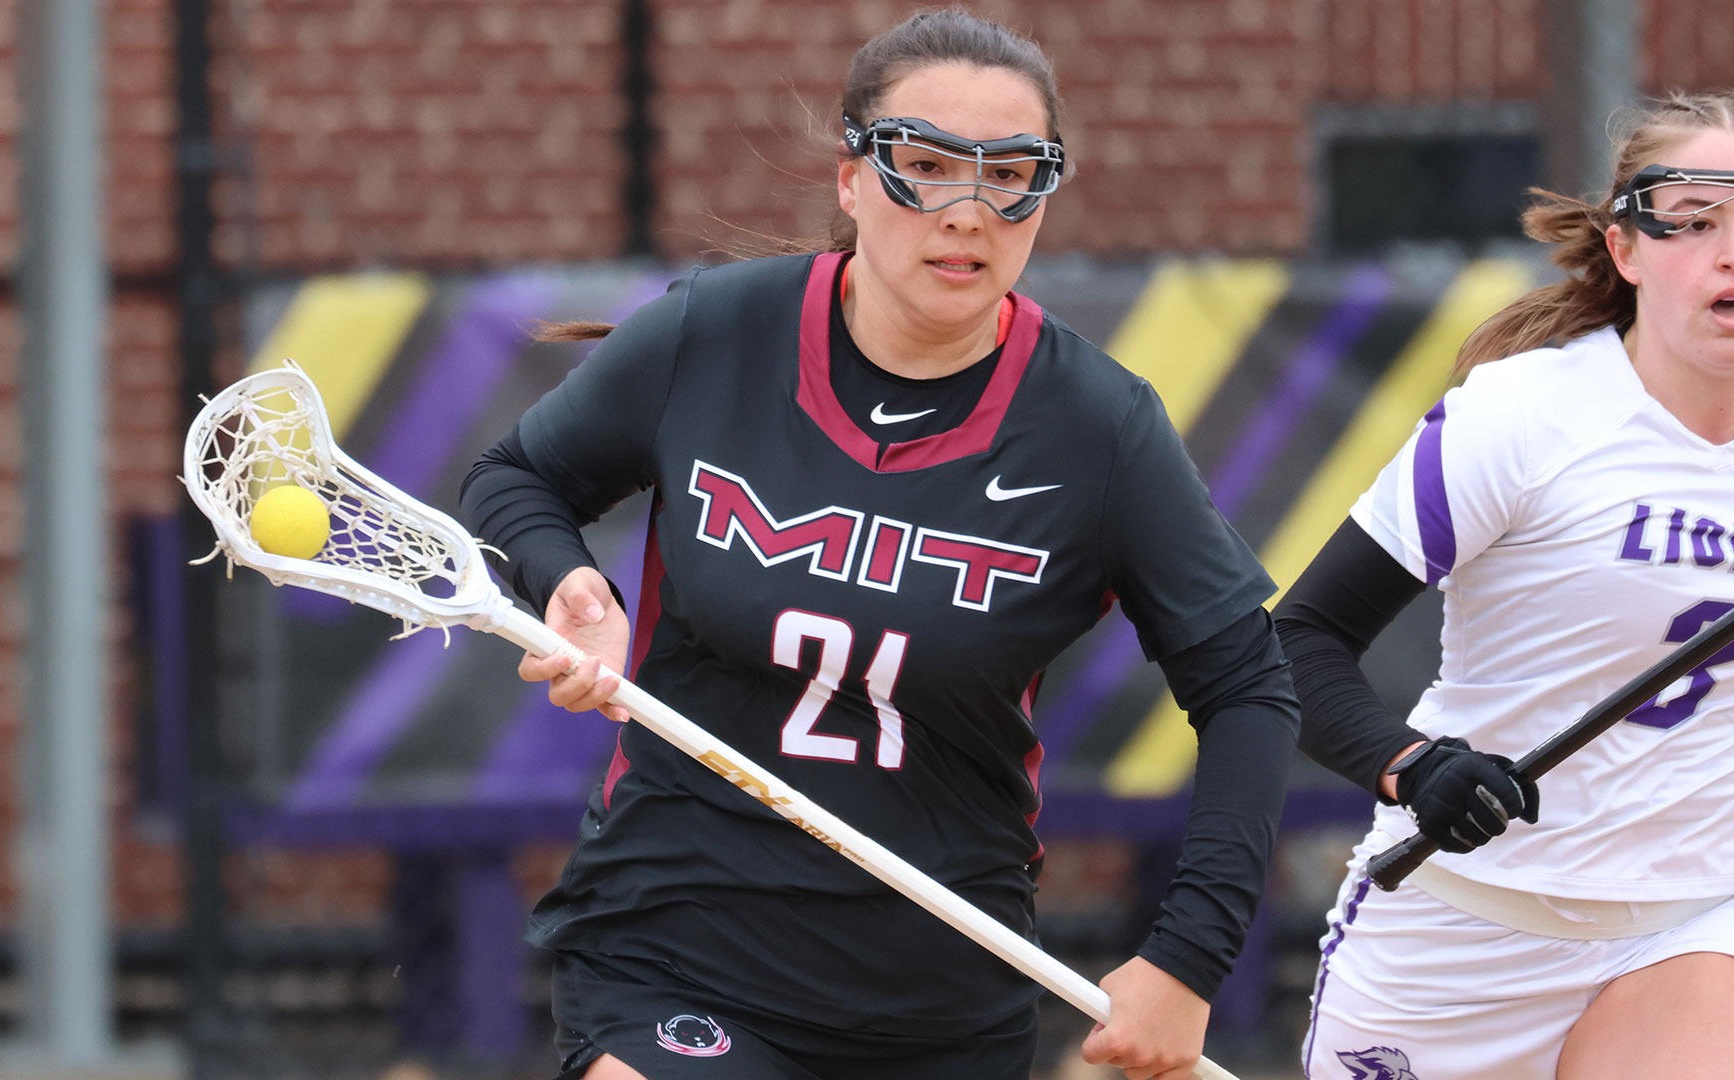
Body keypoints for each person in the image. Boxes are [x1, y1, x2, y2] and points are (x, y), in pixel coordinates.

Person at [461, 9, 1299, 1079]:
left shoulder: (1099, 426)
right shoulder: (715, 333)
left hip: (939, 988)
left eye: (1011, 176)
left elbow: (1248, 685)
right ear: (853, 179)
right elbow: (516, 479)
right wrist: (572, 584)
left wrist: (1185, 960)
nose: (966, 211)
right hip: (677, 941)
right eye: (925, 166)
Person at [1279, 90, 1734, 1080]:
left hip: (1691, 923)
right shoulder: (1524, 419)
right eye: (1695, 221)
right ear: (1626, 250)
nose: (1728, 252)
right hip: (1463, 926)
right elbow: (1297, 646)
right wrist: (1415, 767)